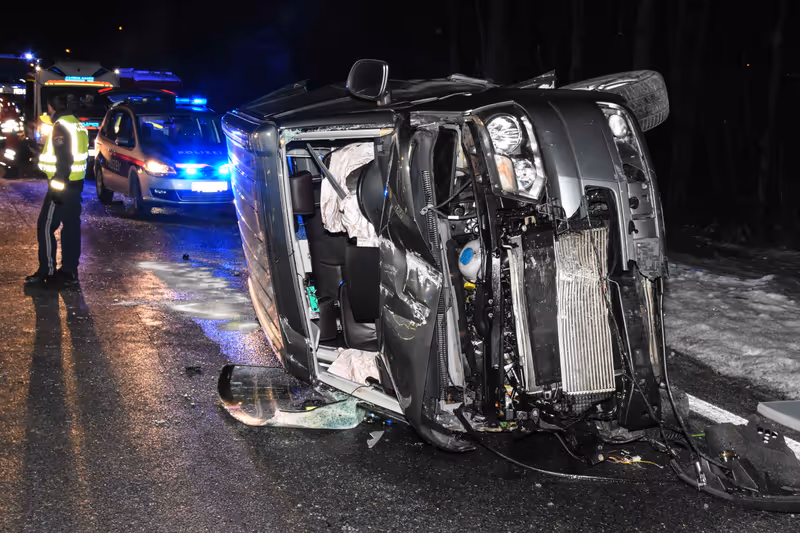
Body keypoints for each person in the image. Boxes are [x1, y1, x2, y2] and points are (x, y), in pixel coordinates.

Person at [24, 94, 88, 286]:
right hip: (76, 184)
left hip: (61, 185)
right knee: (71, 227)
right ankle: (69, 272)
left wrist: (57, 189)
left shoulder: (60, 126)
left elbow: (64, 160)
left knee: (45, 226)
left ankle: (47, 271)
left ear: (52, 108)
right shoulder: (78, 125)